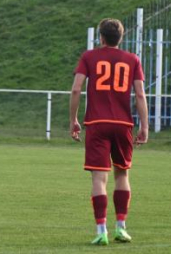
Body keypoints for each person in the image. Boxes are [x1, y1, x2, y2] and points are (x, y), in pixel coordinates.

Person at [69, 18, 149, 246]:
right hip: (123, 124)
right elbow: (140, 95)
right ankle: (121, 228)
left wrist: (73, 119)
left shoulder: (89, 57)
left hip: (97, 122)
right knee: (122, 174)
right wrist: (144, 126)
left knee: (98, 178)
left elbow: (76, 89)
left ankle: (101, 230)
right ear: (120, 38)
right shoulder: (132, 59)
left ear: (101, 37)